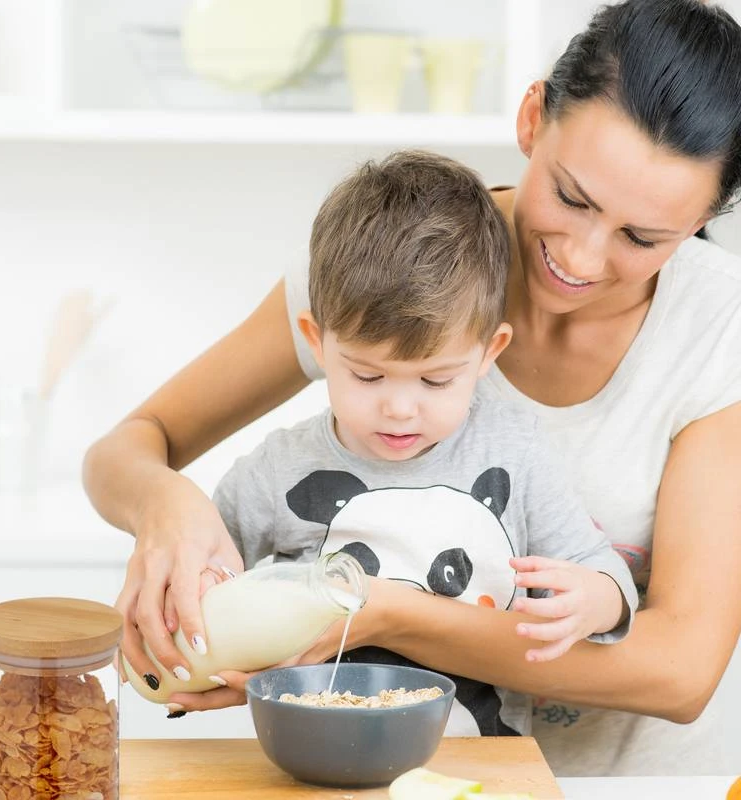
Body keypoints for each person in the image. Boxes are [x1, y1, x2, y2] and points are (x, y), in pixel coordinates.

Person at [83, 0, 741, 777]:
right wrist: (168, 508)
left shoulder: (715, 323)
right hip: (380, 776)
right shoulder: (386, 269)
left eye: (643, 238)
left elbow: (679, 671)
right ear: (533, 120)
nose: (584, 257)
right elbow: (128, 447)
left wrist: (374, 615)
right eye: (571, 196)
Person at [207, 150, 637, 738]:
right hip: (314, 752)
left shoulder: (516, 454)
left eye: (437, 380)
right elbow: (204, 569)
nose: (400, 408)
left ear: (490, 352)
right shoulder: (280, 470)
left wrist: (596, 599)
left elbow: (599, 570)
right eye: (367, 375)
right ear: (316, 341)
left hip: (479, 759)